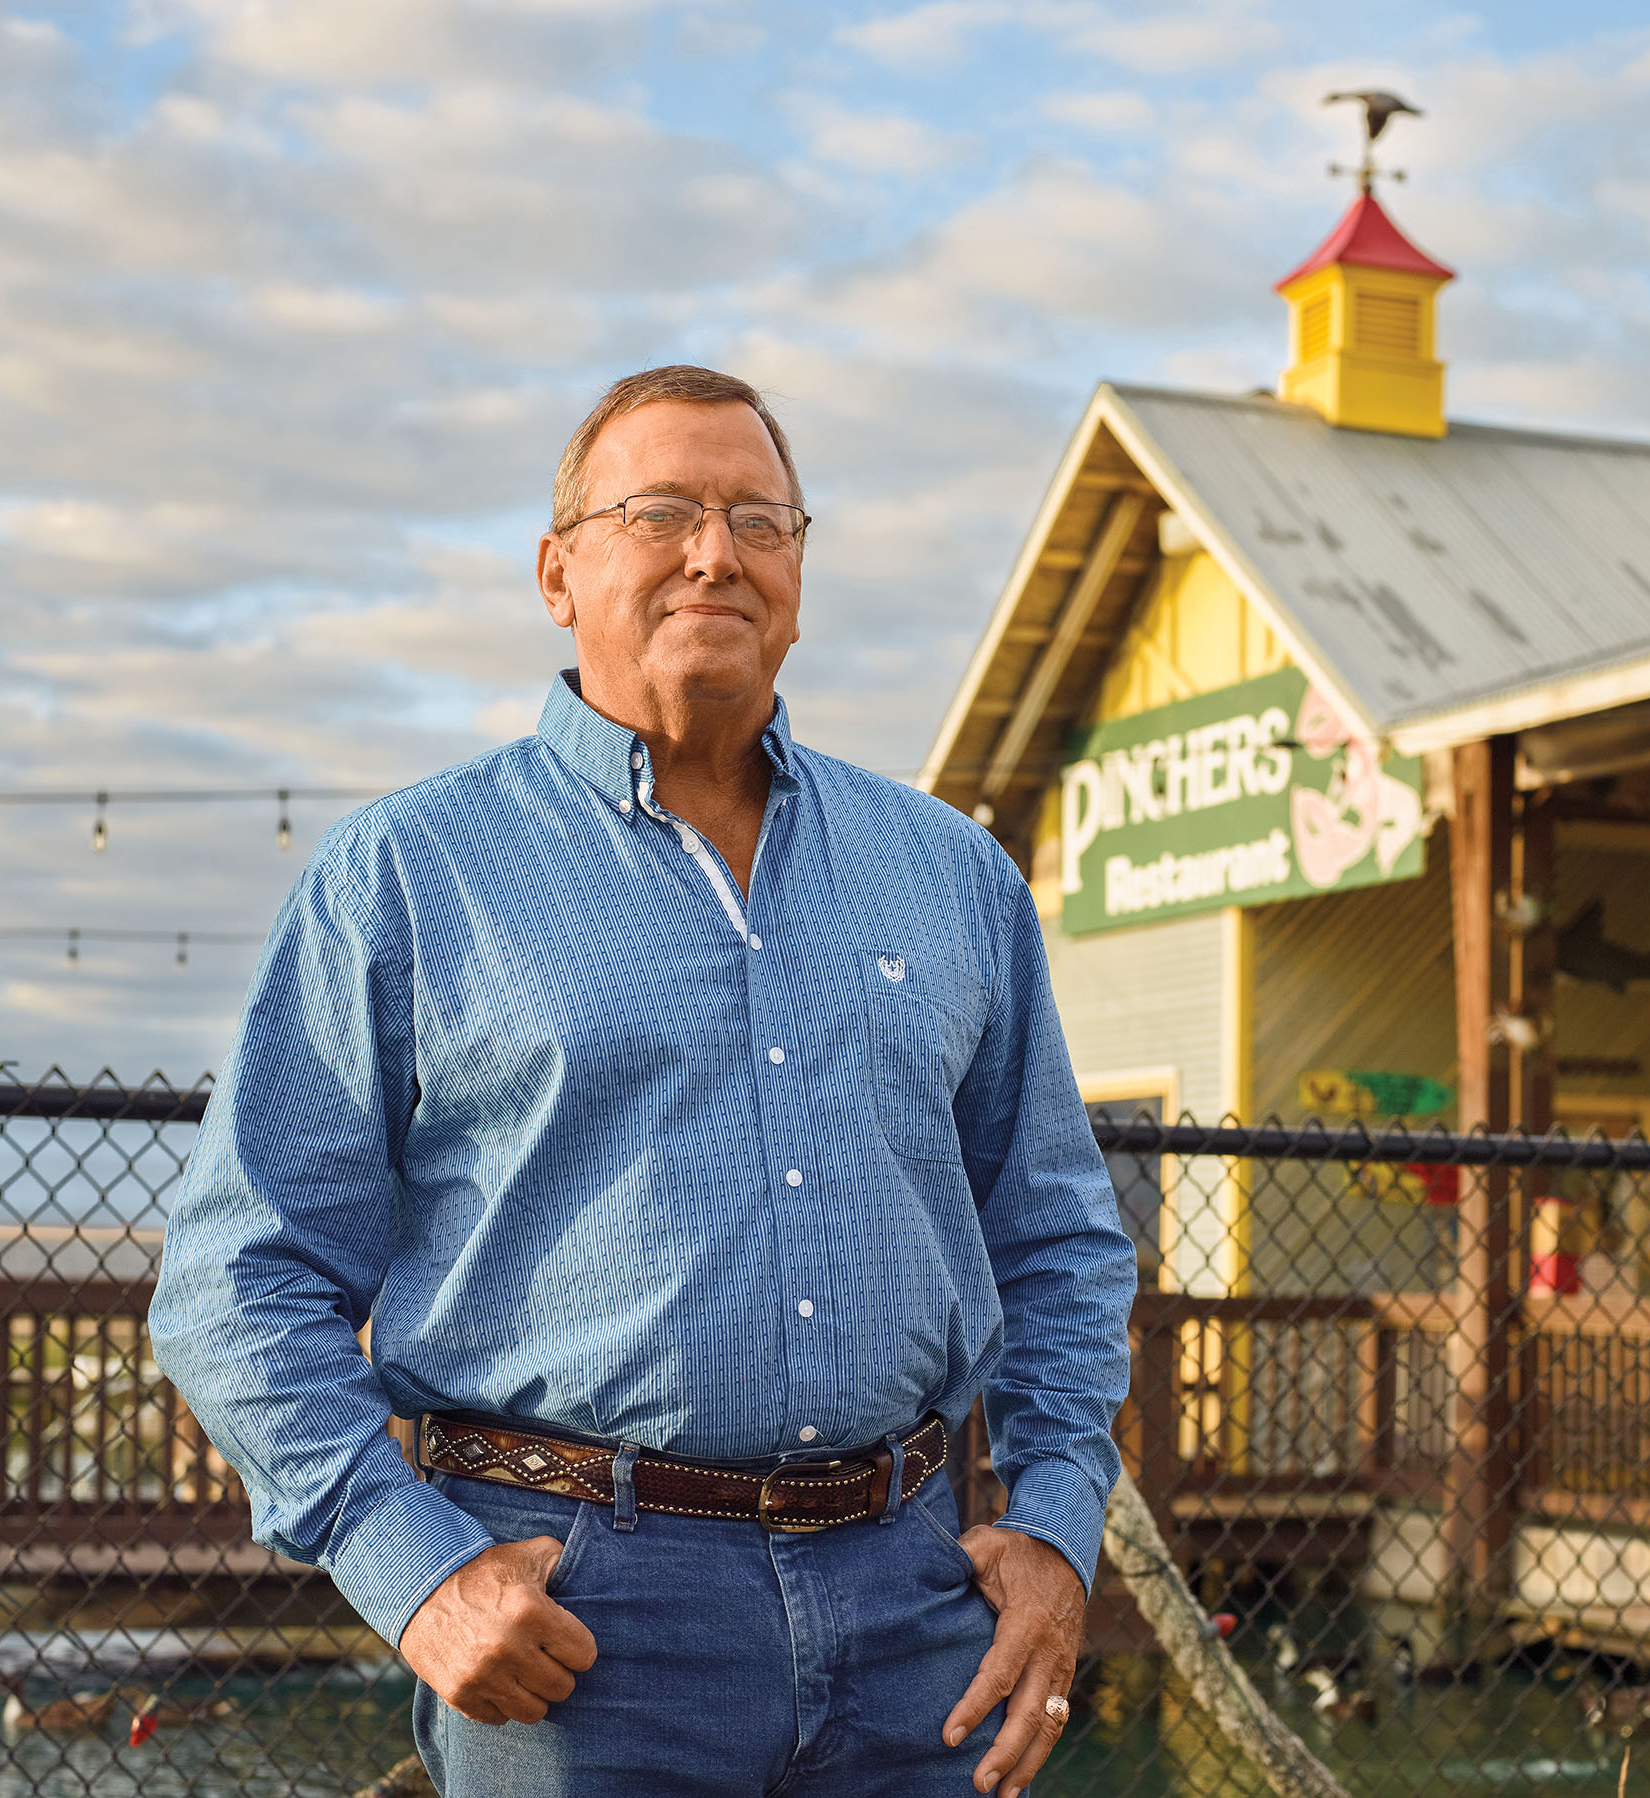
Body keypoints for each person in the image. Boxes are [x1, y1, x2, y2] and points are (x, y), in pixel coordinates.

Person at [149, 365, 1137, 1797]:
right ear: (558, 571)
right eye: (660, 510)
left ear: (800, 568)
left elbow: (1056, 1237)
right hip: (582, 1630)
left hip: (921, 1611)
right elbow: (236, 1275)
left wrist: (1053, 1525)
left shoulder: (955, 878)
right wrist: (414, 1571)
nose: (714, 552)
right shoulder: (408, 877)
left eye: (760, 518)